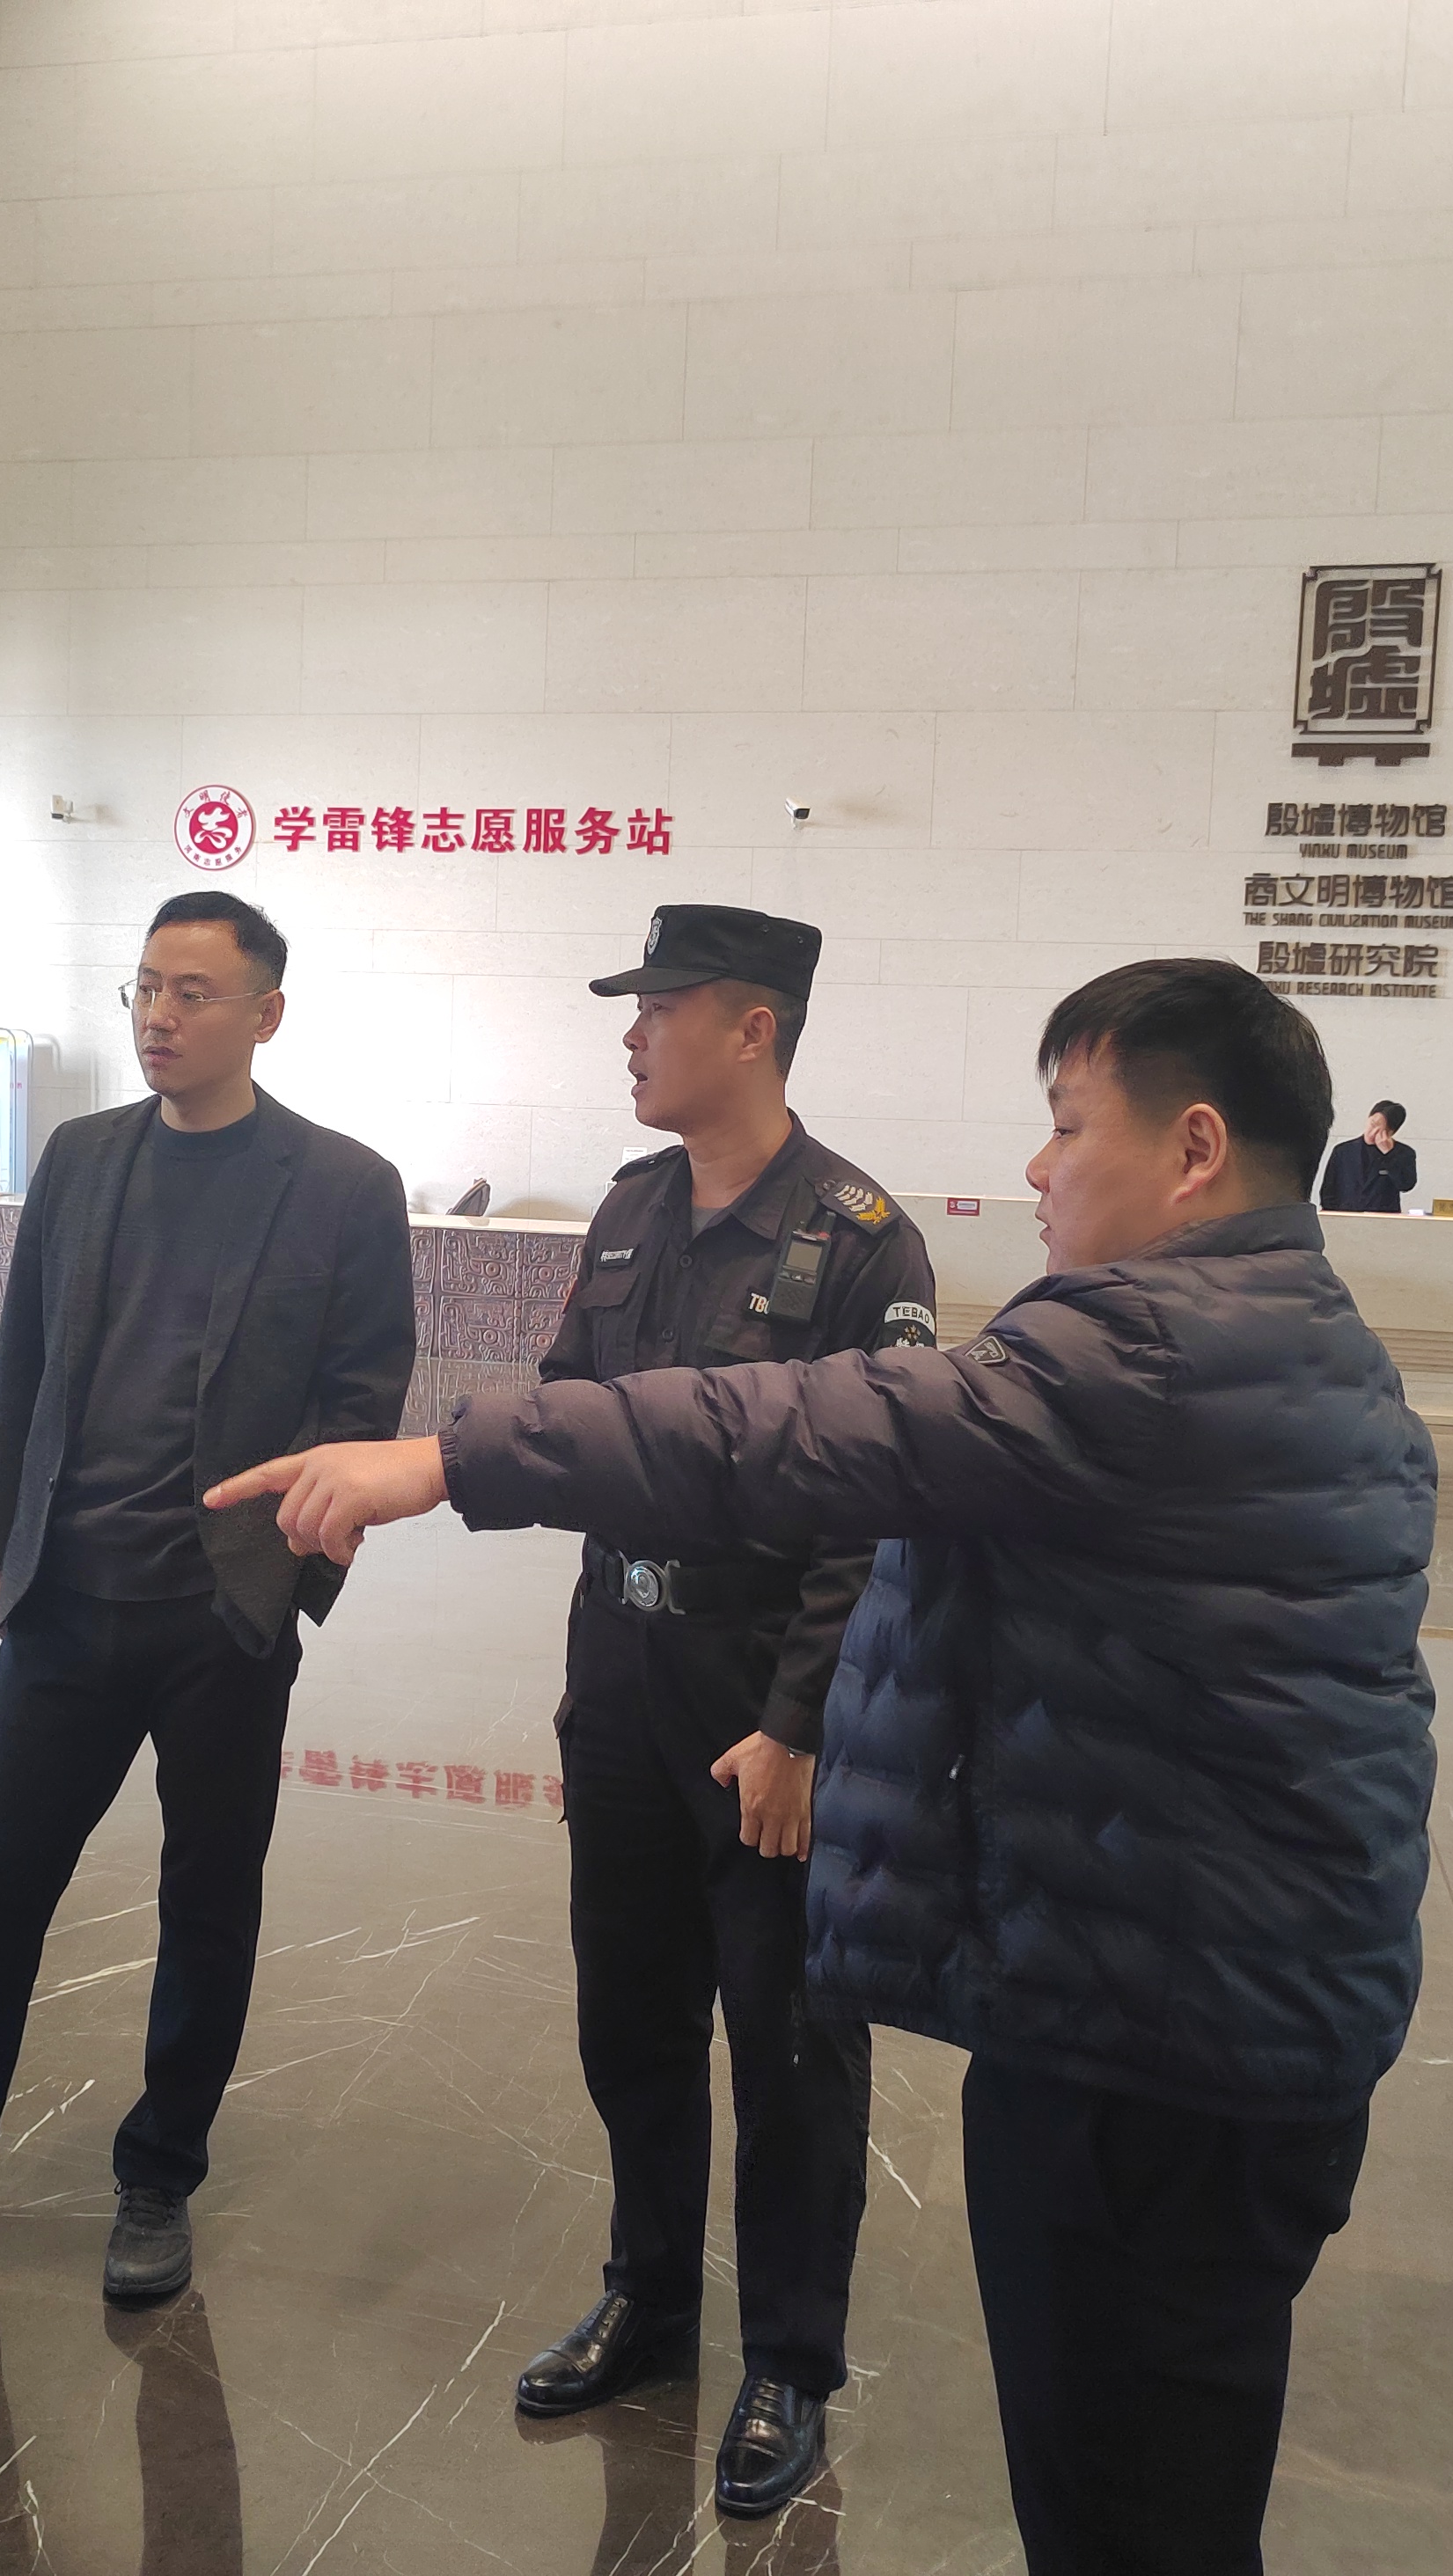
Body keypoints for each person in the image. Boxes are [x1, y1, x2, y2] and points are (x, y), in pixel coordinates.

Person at [210, 958, 1437, 2576]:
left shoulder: (1137, 1348)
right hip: (1213, 1996)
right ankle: (651, 2292)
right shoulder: (1296, 1336)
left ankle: (787, 2354)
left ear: (1194, 1148)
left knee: (1120, 2489)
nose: (1037, 1165)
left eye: (1068, 1125)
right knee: (1163, 2480)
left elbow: (797, 1432)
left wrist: (446, 1456)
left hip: (1155, 2048)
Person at [0, 891, 415, 2305]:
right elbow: (23, 1361)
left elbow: (363, 1396)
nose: (160, 1015)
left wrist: (288, 1581)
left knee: (206, 1905)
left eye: (193, 993)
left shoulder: (342, 1185)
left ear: (266, 1014)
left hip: (222, 1616)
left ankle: (160, 2177)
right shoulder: (83, 1158)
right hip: (66, 1603)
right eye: (146, 987)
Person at [509, 904, 936, 2523]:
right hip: (620, 1676)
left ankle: (790, 2359)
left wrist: (799, 1721)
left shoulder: (860, 1238)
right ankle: (647, 2296)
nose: (631, 1034)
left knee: (787, 2039)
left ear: (751, 1028)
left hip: (761, 1697)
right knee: (628, 2013)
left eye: (660, 1008)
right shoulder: (630, 1207)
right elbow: (571, 1409)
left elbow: (878, 1508)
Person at [1316, 1097, 1415, 1213]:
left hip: (1382, 1218)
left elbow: (1406, 1185)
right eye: (1373, 1124)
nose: (1373, 1133)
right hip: (1346, 1216)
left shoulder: (1403, 1153)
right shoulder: (1343, 1150)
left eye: (1381, 1130)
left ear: (1391, 1132)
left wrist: (1389, 1155)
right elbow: (1328, 1190)